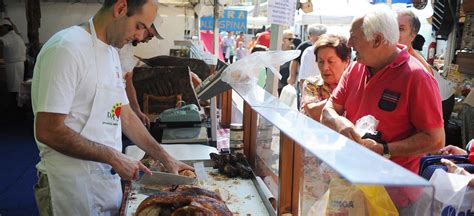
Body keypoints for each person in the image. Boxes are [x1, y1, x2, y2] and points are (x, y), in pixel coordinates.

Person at [31, 1, 193, 215]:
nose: (140, 37)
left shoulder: (111, 54)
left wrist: (165, 157)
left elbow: (124, 114)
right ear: (120, 8)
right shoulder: (66, 48)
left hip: (104, 183)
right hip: (68, 187)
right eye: (140, 26)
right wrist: (114, 157)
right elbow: (48, 130)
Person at [321, 5, 444, 208]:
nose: (349, 43)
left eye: (354, 37)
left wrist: (383, 149)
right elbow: (328, 110)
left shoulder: (417, 77)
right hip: (351, 184)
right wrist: (340, 122)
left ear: (377, 40)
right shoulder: (355, 68)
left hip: (394, 197)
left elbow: (435, 139)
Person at [397, 9, 455, 128]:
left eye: (401, 29)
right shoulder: (397, 55)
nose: (395, 33)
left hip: (444, 98)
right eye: (392, 27)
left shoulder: (416, 63)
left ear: (413, 35)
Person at [119, 16, 164, 127]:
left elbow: (128, 80)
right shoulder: (115, 45)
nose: (147, 40)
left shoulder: (129, 48)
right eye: (149, 35)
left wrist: (136, 110)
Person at [300, 34, 351, 121]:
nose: (325, 68)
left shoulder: (356, 84)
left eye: (331, 61)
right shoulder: (312, 83)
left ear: (346, 61)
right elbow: (314, 113)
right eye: (321, 62)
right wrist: (343, 97)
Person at [0, 18, 26, 110]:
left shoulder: (9, 36)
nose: (0, 30)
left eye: (1, 28)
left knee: (14, 88)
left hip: (13, 66)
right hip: (18, 65)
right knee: (17, 86)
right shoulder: (16, 35)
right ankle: (18, 106)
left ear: (7, 27)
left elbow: (1, 42)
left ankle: (14, 108)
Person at [278, 30, 296, 95]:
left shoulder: (294, 51)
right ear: (283, 39)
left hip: (290, 82)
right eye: (289, 39)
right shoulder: (277, 50)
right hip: (279, 82)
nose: (292, 41)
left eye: (293, 39)